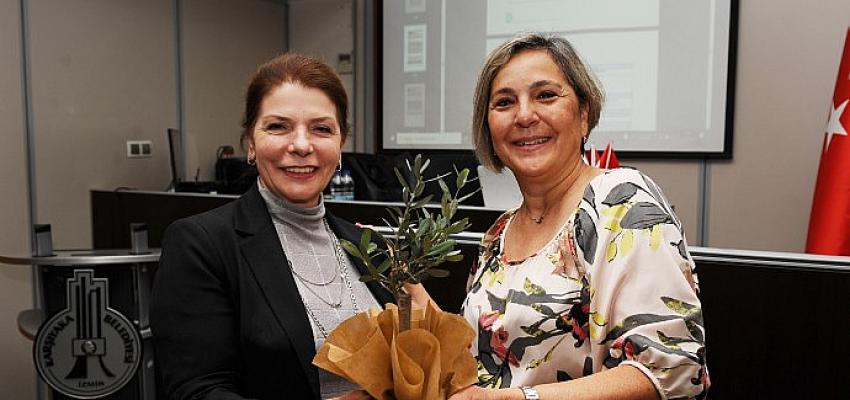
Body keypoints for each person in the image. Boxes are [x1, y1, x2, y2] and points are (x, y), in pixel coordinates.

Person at [445, 33, 709, 400]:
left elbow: (672, 370)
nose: (524, 115)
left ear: (584, 114)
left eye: (545, 95)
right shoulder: (498, 233)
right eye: (504, 102)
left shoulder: (622, 202)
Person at [151, 54, 391, 400]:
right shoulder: (202, 244)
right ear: (250, 141)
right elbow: (196, 391)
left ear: (341, 145)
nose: (301, 145)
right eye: (278, 127)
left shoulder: (368, 246)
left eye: (322, 129)